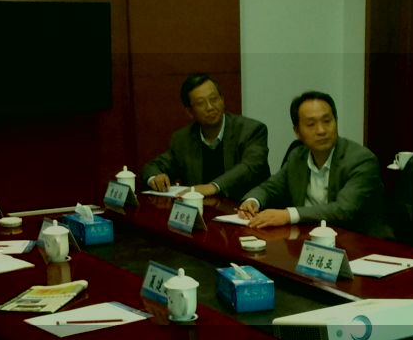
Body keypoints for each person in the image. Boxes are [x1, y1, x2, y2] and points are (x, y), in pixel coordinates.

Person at [238, 91, 391, 236]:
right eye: (311, 124)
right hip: (310, 239)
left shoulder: (361, 160)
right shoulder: (297, 157)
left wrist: (288, 215)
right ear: (297, 132)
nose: (321, 130)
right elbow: (270, 187)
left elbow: (343, 210)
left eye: (327, 121)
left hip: (361, 243)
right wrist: (252, 201)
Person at [143, 74, 270, 199]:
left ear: (222, 100)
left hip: (246, 208)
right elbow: (153, 167)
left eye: (214, 99)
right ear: (190, 112)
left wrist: (213, 187)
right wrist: (155, 178)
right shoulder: (183, 139)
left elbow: (250, 167)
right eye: (201, 103)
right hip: (203, 209)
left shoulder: (251, 130)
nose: (210, 107)